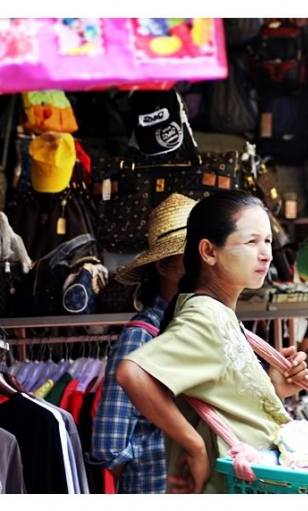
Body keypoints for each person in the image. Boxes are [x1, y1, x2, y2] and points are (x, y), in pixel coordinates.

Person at [116, 190, 308, 494]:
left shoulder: (218, 315)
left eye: (268, 241)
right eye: (251, 242)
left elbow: (222, 401)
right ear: (209, 251)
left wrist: (274, 388)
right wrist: (194, 446)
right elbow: (132, 373)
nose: (266, 254)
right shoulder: (205, 316)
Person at [92, 193, 196, 494]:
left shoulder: (201, 328)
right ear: (163, 267)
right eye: (187, 259)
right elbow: (109, 443)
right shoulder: (143, 335)